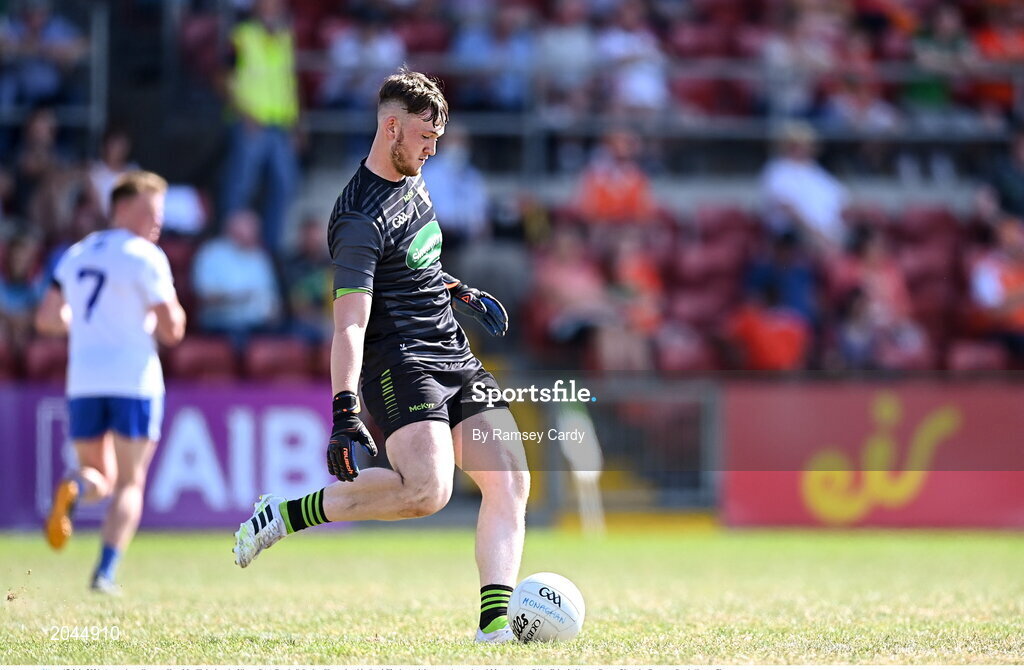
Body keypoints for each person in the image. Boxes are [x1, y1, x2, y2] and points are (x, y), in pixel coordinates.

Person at [231, 70, 529, 644]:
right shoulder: (356, 219)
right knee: (427, 491)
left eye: (437, 138)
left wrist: (456, 289)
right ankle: (287, 514)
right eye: (423, 136)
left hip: (451, 349)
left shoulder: (416, 180)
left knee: (511, 479)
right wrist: (345, 412)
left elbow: (412, 264)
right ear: (391, 126)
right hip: (400, 364)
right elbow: (350, 322)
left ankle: (495, 629)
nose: (432, 148)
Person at [35, 171, 186, 594]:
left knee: (96, 473)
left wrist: (89, 327)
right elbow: (172, 329)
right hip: (133, 380)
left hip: (83, 379)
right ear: (120, 208)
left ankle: (75, 485)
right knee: (129, 483)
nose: (156, 222)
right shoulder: (145, 255)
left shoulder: (77, 252)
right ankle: (105, 573)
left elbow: (47, 318)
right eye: (149, 212)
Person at [219, 0, 299, 252]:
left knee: (286, 184)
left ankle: (270, 247)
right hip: (251, 122)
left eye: (275, 6)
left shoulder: (285, 37)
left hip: (281, 124)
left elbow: (289, 81)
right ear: (256, 9)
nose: (271, 10)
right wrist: (244, 113)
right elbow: (221, 77)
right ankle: (230, 242)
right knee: (241, 184)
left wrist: (297, 123)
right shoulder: (242, 36)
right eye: (266, 5)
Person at [191, 209, 282, 349]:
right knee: (243, 342)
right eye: (250, 228)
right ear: (232, 229)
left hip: (259, 324)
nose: (255, 233)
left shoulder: (260, 257)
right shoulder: (211, 253)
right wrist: (236, 297)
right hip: (223, 324)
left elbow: (272, 298)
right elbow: (204, 296)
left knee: (292, 337)